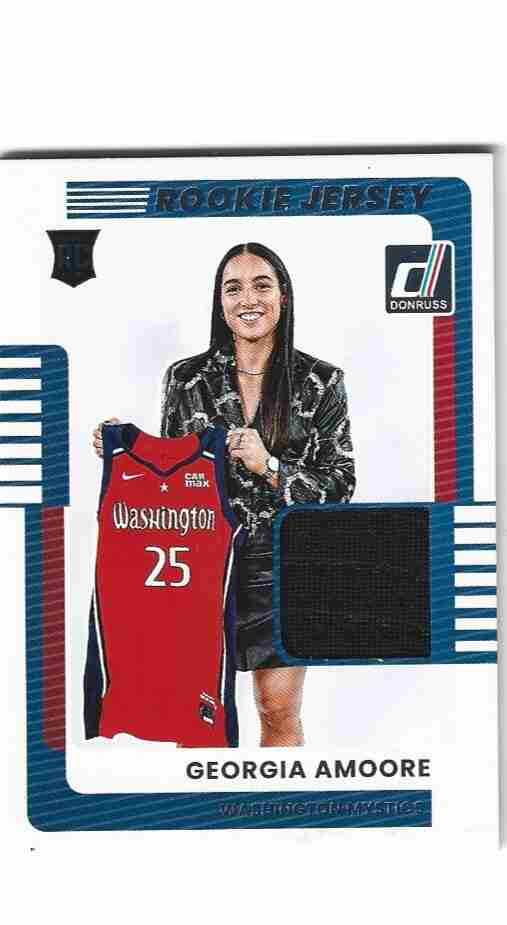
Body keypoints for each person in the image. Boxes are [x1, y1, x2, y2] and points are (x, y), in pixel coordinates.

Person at [93, 242, 355, 746]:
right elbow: (170, 483)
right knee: (194, 709)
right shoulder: (186, 378)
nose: (248, 299)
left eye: (262, 285)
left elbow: (340, 486)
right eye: (233, 288)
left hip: (285, 565)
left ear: (283, 296)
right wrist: (123, 453)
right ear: (220, 302)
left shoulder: (321, 381)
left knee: (277, 708)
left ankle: (280, 796)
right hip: (201, 566)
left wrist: (270, 467)